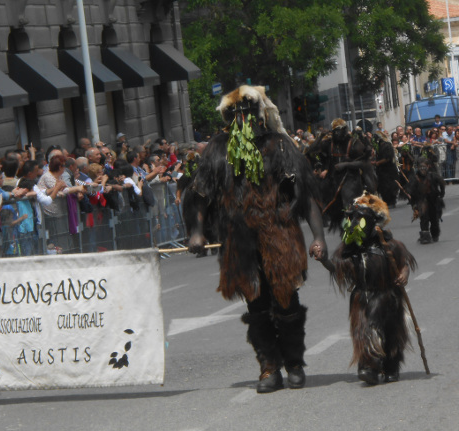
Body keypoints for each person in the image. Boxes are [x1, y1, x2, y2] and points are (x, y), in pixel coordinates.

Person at [183, 85, 327, 393]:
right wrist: (196, 232)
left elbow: (306, 195)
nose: (241, 118)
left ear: (259, 113)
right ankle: (269, 367)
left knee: (286, 303)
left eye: (247, 111)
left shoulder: (280, 145)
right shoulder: (217, 149)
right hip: (239, 238)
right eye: (234, 113)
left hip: (280, 233)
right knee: (257, 305)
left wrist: (318, 237)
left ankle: (294, 364)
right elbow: (200, 194)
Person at [316, 193, 416, 385]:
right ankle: (368, 366)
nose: (354, 222)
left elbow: (404, 263)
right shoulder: (350, 249)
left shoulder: (390, 245)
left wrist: (404, 274)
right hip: (362, 297)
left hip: (387, 295)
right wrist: (324, 260)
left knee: (392, 335)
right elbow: (338, 267)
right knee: (365, 330)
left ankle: (391, 367)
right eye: (352, 218)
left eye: (359, 218)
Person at [407, 156, 445, 244]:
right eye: (420, 167)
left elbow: (442, 183)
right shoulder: (415, 179)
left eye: (424, 167)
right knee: (424, 218)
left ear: (428, 167)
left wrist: (442, 193)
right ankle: (425, 236)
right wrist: (414, 204)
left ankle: (435, 234)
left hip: (433, 201)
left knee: (434, 219)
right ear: (417, 167)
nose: (422, 169)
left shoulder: (433, 176)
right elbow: (412, 193)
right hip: (422, 201)